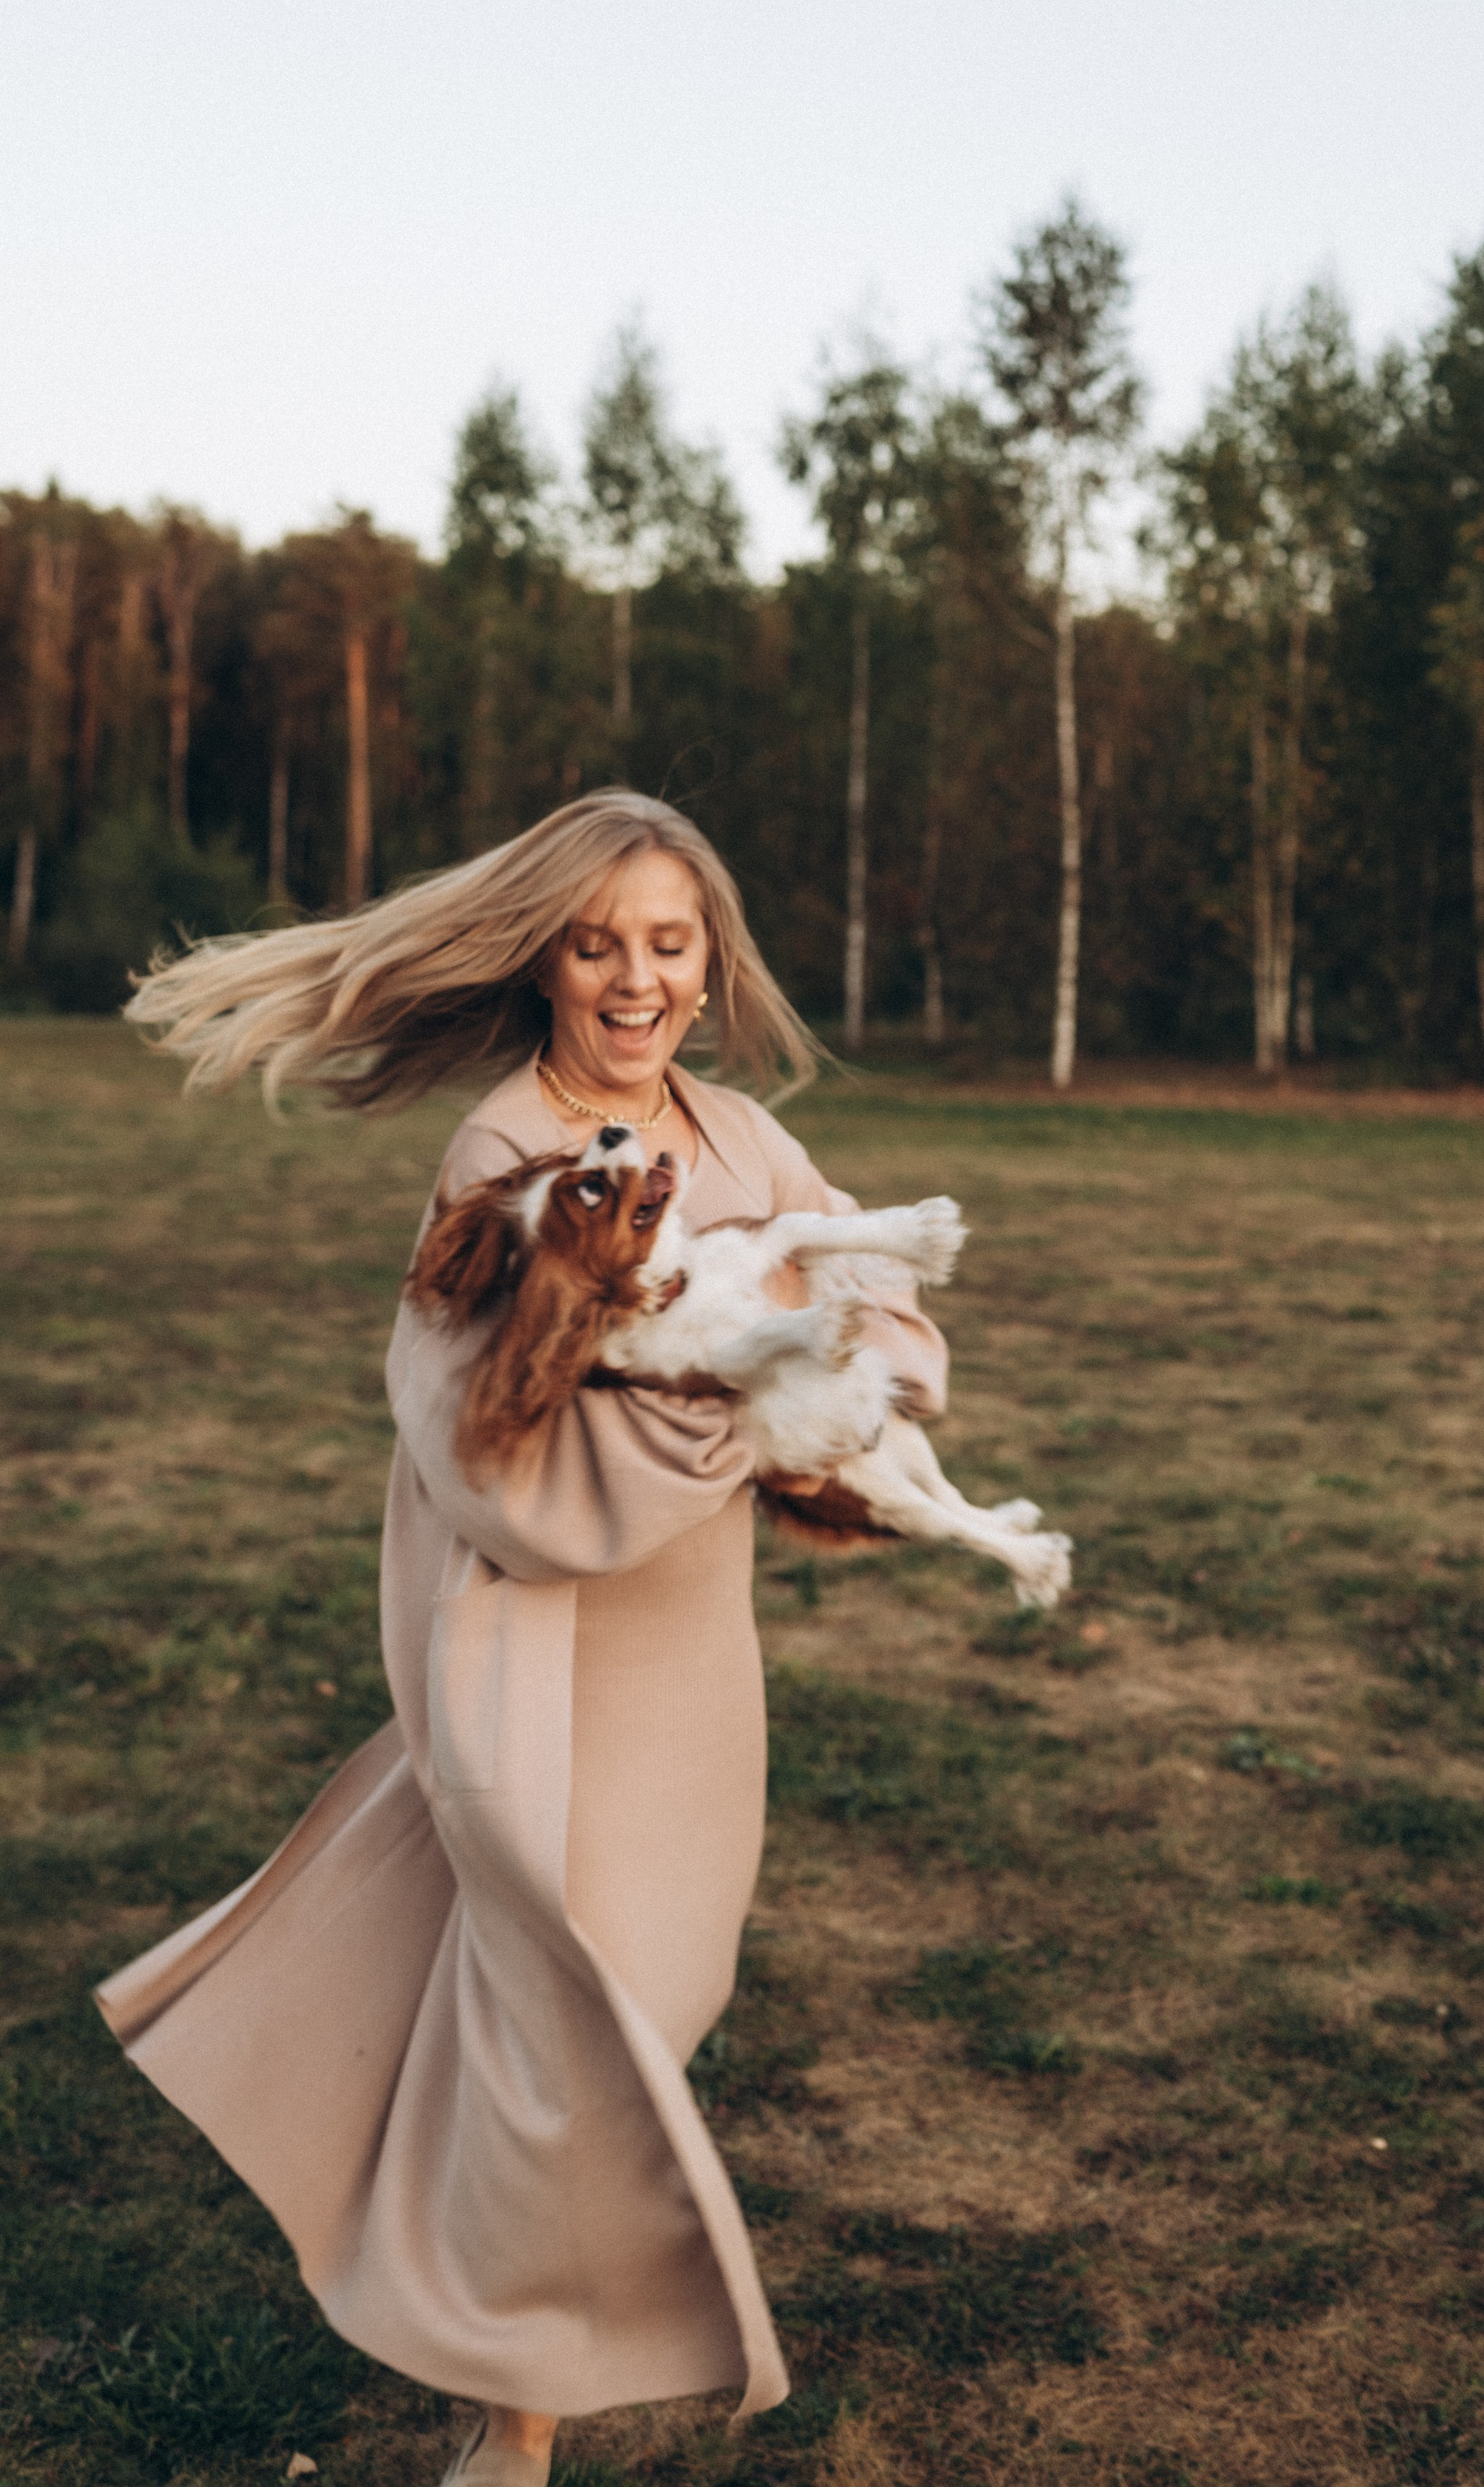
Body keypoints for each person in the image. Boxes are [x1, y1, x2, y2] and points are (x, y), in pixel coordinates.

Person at [97, 792, 947, 2484]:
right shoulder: (501, 1153)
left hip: (685, 1662)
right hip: (532, 1645)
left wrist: (819, 1360)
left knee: (658, 1992)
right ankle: (520, 2412)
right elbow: (513, 1460)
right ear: (545, 962)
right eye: (593, 942)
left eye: (664, 943)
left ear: (709, 967)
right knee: (577, 2012)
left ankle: (427, 2217)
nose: (631, 977)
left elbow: (898, 1334)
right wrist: (761, 1382)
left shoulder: (742, 1137)